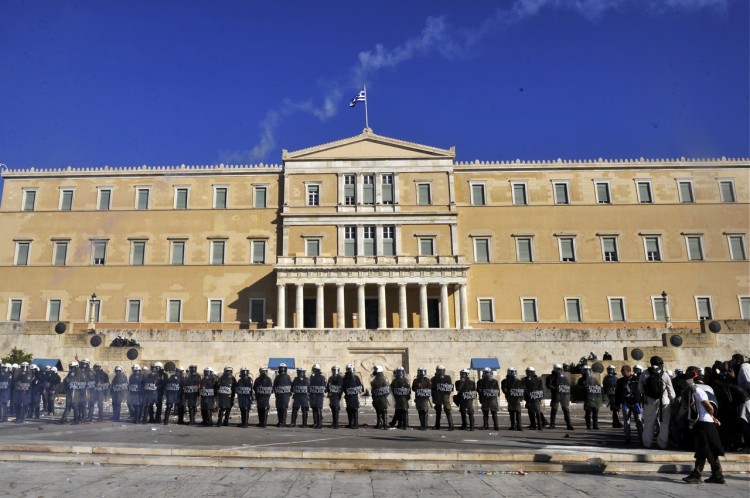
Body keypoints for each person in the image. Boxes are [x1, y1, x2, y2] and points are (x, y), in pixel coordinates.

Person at [682, 367, 725, 484]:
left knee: (704, 449)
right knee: (706, 450)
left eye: (688, 379)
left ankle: (699, 475)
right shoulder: (706, 387)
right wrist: (713, 418)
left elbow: (709, 406)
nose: (686, 382)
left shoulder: (697, 390)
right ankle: (716, 475)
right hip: (705, 422)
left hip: (703, 423)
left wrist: (711, 416)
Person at [639, 356, 676, 449]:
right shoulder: (665, 374)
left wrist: (646, 394)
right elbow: (670, 389)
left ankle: (647, 443)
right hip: (664, 401)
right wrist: (673, 400)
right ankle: (662, 443)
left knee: (648, 422)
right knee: (665, 422)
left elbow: (640, 388)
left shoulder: (645, 373)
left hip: (650, 401)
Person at [615, 364, 643, 444]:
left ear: (629, 371)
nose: (623, 374)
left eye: (624, 372)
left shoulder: (636, 379)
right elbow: (618, 393)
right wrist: (617, 403)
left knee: (639, 421)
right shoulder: (620, 381)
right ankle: (627, 438)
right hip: (626, 403)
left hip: (636, 403)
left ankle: (641, 437)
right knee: (626, 422)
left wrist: (640, 401)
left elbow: (641, 391)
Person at [547, 364, 574, 430]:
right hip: (556, 395)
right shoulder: (551, 377)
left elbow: (567, 384)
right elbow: (548, 385)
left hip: (564, 395)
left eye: (560, 369)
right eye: (558, 369)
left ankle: (569, 424)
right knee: (554, 410)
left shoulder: (563, 377)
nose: (559, 370)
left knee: (566, 410)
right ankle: (552, 424)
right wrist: (556, 389)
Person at [577, 365, 602, 430]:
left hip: (594, 397)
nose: (587, 372)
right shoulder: (581, 380)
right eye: (585, 370)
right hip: (587, 398)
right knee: (588, 413)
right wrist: (584, 388)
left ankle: (595, 425)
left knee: (595, 412)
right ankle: (588, 426)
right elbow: (578, 388)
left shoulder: (593, 379)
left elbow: (598, 387)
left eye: (588, 370)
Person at [431, 365, 454, 431]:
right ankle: (450, 425)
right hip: (442, 396)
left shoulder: (435, 378)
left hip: (441, 396)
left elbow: (450, 387)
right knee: (445, 410)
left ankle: (445, 425)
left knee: (443, 411)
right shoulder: (446, 377)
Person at [502, 367, 525, 431]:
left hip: (515, 398)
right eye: (512, 372)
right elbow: (504, 390)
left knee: (516, 412)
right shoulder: (505, 381)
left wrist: (520, 396)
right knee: (512, 412)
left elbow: (522, 389)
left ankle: (518, 426)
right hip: (511, 398)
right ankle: (514, 425)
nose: (514, 373)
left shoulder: (518, 381)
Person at [342, 364, 362, 429]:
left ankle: (354, 424)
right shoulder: (348, 377)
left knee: (353, 409)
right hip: (350, 396)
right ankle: (352, 423)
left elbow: (360, 387)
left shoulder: (352, 377)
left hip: (351, 396)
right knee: (351, 409)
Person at [370, 365, 390, 430]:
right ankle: (383, 424)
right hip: (381, 397)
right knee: (381, 410)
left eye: (375, 370)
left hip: (379, 397)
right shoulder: (383, 378)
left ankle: (381, 424)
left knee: (380, 411)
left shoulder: (378, 379)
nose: (374, 371)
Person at [524, 366, 544, 431]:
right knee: (537, 411)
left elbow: (524, 389)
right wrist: (541, 397)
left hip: (530, 397)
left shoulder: (525, 379)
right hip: (536, 397)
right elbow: (541, 389)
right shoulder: (538, 379)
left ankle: (533, 425)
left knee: (531, 412)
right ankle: (539, 425)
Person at [273, 363, 292, 427]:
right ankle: (281, 422)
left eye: (282, 368)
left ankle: (283, 422)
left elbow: (290, 386)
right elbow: (274, 386)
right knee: (280, 408)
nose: (282, 369)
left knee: (282, 408)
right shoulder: (278, 377)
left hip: (284, 395)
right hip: (281, 395)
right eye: (281, 368)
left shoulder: (286, 377)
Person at [308, 364, 326, 429]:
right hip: (313, 395)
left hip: (319, 395)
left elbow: (324, 386)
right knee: (314, 408)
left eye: (314, 369)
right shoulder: (312, 377)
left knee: (318, 408)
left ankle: (319, 423)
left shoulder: (322, 377)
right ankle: (315, 423)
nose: (313, 370)